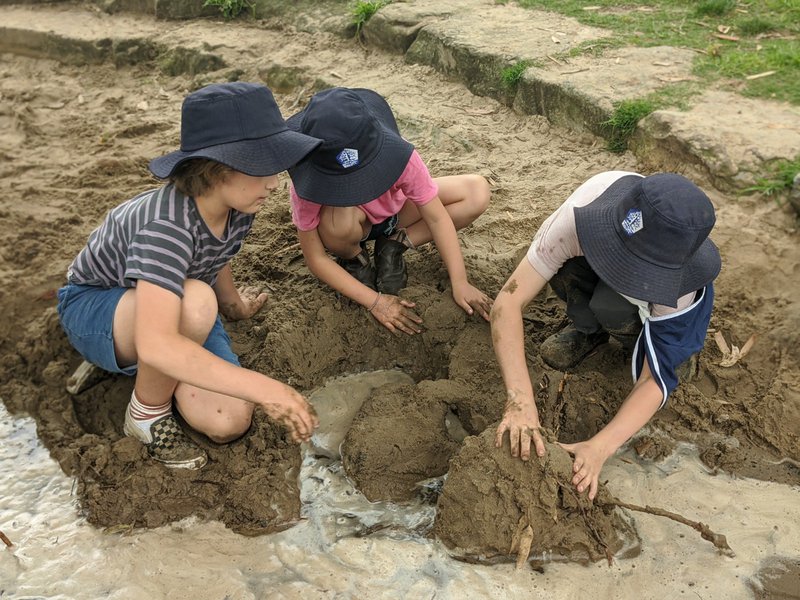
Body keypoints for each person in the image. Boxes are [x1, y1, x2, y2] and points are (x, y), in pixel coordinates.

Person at [57, 82, 322, 470]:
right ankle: (145, 413)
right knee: (196, 304)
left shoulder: (241, 204)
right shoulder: (166, 227)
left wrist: (232, 303)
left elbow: (215, 256)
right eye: (263, 167)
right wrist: (267, 389)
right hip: (97, 307)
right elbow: (157, 345)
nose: (274, 183)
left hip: (165, 304)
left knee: (228, 420)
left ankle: (145, 365)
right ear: (216, 169)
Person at [491, 171, 721, 499]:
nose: (627, 274)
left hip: (667, 311)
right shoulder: (577, 218)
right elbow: (508, 301)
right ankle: (589, 329)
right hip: (593, 253)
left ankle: (648, 342)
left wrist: (600, 446)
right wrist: (520, 398)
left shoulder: (684, 290)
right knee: (572, 276)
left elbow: (653, 381)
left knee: (636, 329)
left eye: (640, 272)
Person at [285, 87, 492, 335]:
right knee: (337, 226)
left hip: (398, 212)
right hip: (350, 227)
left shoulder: (399, 155)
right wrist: (375, 301)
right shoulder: (308, 183)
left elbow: (437, 218)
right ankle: (355, 258)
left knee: (476, 191)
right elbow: (315, 257)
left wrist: (460, 282)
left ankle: (394, 244)